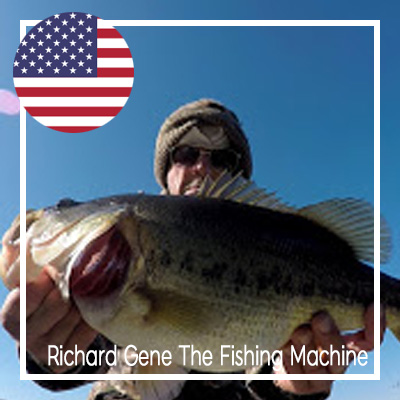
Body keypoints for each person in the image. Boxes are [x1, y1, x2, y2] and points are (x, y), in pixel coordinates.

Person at [1, 99, 386, 400]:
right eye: (186, 153)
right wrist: (43, 353)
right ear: (166, 171)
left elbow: (271, 383)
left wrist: (296, 391)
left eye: (223, 159)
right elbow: (86, 356)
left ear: (238, 177)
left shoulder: (278, 245)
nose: (203, 167)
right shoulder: (129, 253)